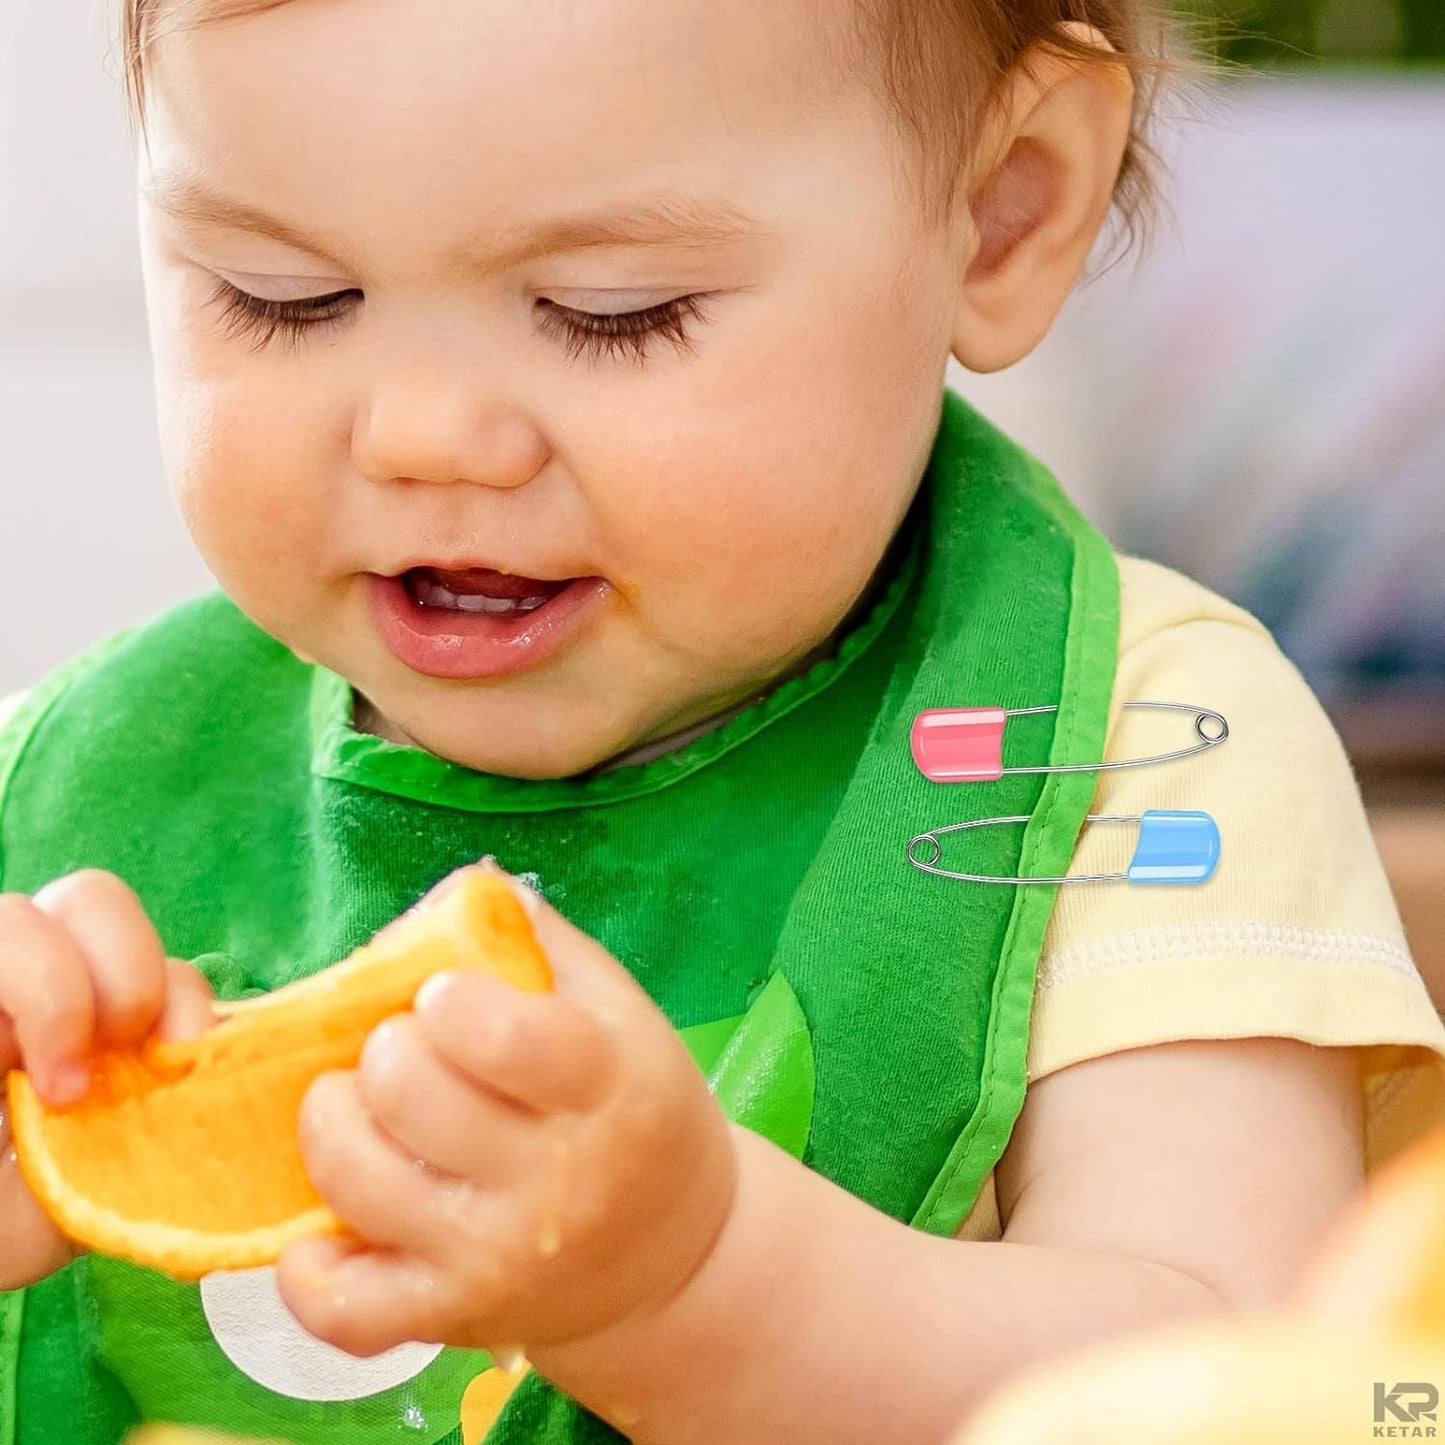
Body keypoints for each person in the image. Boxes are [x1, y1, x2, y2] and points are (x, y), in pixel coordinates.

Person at [1, 1, 1441, 1442]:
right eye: (279, 293)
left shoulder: (1122, 747)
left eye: (610, 310)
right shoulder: (73, 787)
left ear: (1004, 211)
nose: (420, 433)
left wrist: (694, 1286)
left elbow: (1258, 1382)